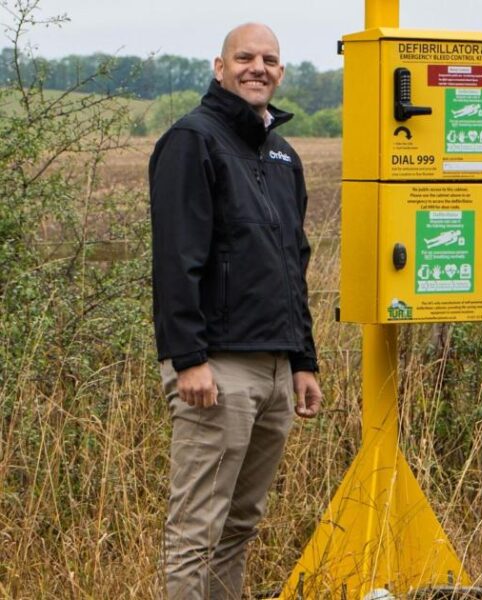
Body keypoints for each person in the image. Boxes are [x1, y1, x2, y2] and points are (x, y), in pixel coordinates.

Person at [149, 23, 322, 600]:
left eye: (270, 59)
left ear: (280, 71)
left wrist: (303, 359)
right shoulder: (192, 140)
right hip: (217, 369)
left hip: (274, 367)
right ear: (219, 68)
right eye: (244, 57)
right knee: (196, 530)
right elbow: (178, 257)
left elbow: (291, 263)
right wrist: (189, 357)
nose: (258, 67)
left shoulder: (282, 154)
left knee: (239, 526)